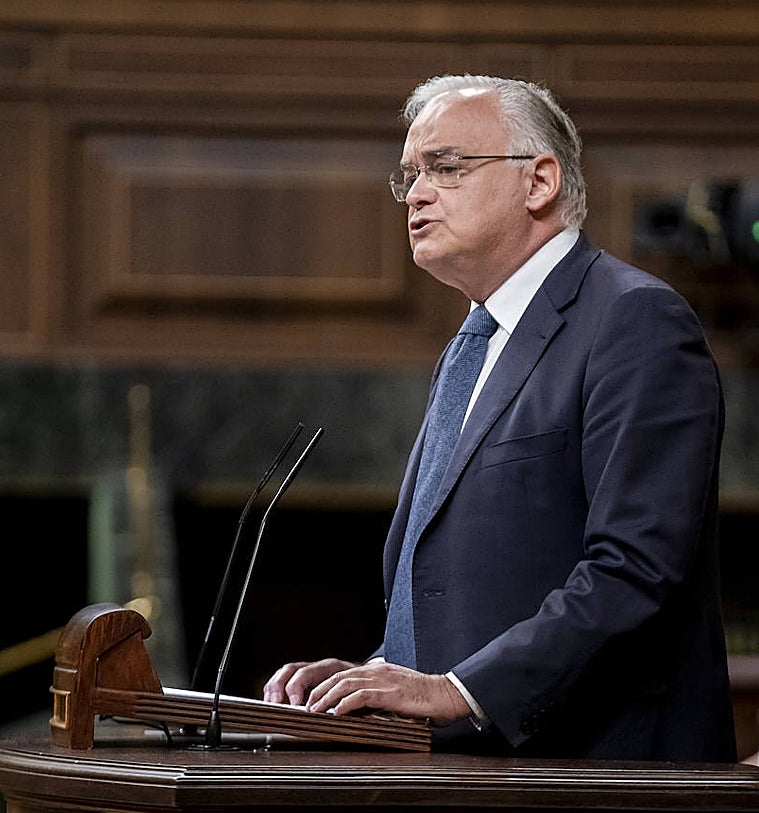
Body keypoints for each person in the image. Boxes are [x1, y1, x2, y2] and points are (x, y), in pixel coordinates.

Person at [263, 74, 734, 760]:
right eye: (409, 177)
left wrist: (457, 691)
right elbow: (473, 585)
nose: (417, 193)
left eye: (446, 168)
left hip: (603, 788)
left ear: (539, 182)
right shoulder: (470, 347)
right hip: (477, 783)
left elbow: (635, 569)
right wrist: (378, 678)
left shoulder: (634, 320)